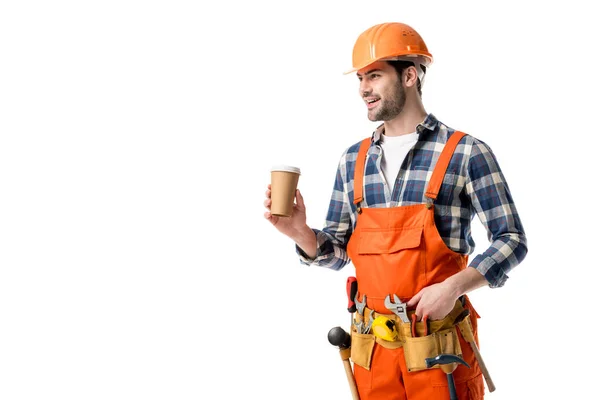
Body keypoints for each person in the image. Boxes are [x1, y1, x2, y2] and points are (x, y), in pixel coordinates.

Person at [263, 22, 527, 400]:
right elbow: (340, 251)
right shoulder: (353, 160)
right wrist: (299, 233)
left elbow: (512, 239)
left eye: (374, 75)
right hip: (373, 355)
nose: (363, 89)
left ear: (409, 75)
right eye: (360, 78)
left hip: (440, 352)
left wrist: (453, 288)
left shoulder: (466, 153)